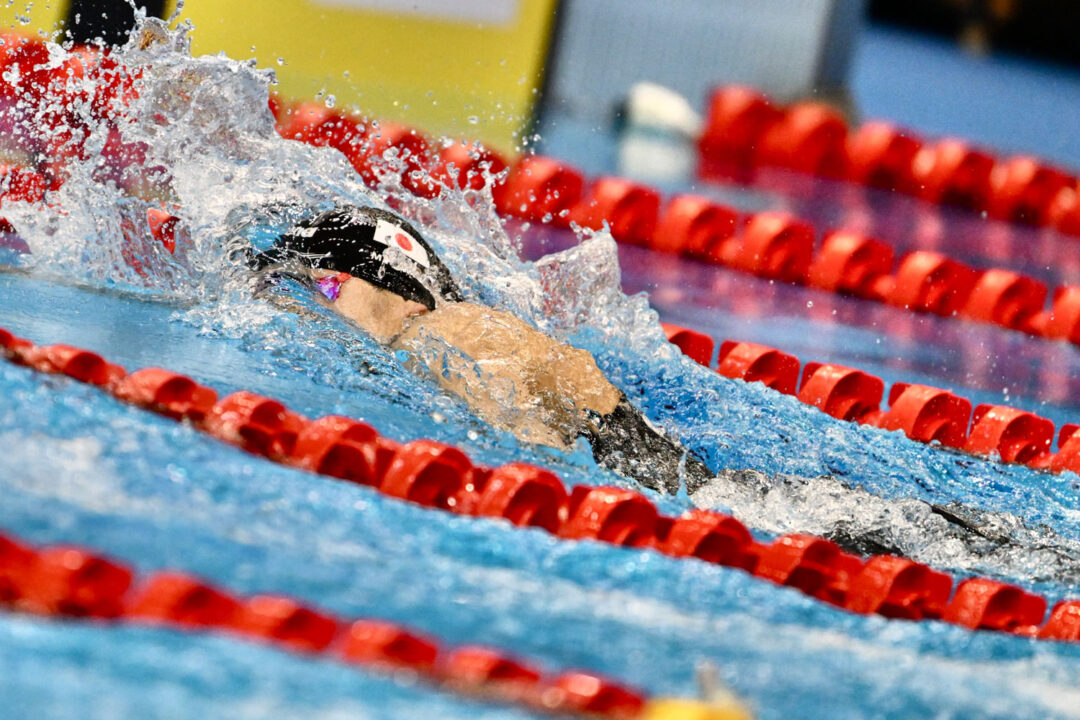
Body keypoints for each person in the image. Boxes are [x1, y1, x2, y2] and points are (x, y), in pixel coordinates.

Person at [249, 204, 713, 495]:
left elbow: (537, 467)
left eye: (328, 287)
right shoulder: (438, 336)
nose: (312, 306)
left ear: (408, 297)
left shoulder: (443, 330)